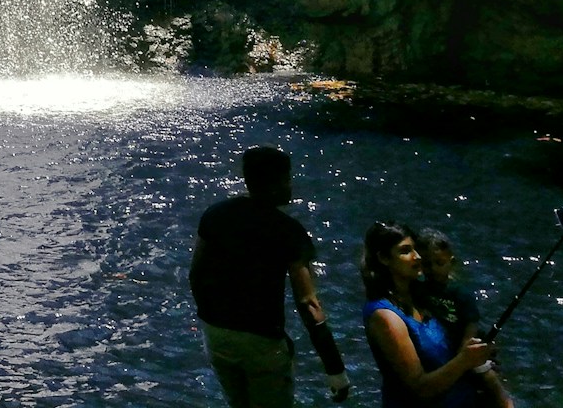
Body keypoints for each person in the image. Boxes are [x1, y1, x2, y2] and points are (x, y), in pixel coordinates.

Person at [191, 144, 351, 406]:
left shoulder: (214, 215)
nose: (291, 185)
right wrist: (335, 369)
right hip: (261, 341)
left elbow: (195, 274)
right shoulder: (288, 231)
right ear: (276, 183)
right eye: (288, 178)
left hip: (216, 335)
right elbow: (308, 304)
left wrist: (211, 319)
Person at [362, 221, 498, 407]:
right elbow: (420, 388)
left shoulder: (422, 297)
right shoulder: (386, 317)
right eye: (405, 251)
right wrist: (464, 360)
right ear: (384, 259)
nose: (417, 257)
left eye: (415, 249)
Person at [416, 228, 514, 408]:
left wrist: (465, 354)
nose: (433, 269)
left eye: (439, 263)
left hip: (465, 346)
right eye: (427, 264)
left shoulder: (461, 295)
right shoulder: (419, 290)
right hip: (443, 347)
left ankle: (505, 403)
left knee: (486, 374)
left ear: (450, 262)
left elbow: (471, 325)